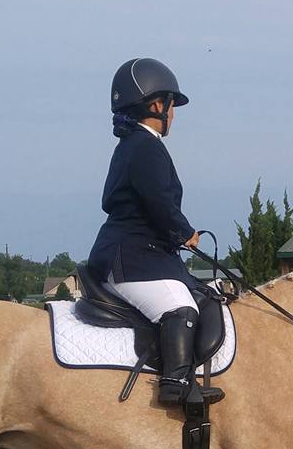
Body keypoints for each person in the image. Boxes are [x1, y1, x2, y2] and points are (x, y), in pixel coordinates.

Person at [87, 57, 221, 406]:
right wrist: (184, 232)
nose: (174, 115)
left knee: (202, 294)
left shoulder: (132, 145)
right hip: (132, 259)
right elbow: (159, 201)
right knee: (181, 309)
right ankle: (174, 383)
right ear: (156, 105)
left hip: (137, 254)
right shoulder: (146, 147)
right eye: (172, 106)